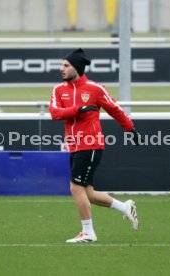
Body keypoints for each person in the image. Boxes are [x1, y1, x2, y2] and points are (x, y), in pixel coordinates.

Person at [49, 48, 142, 243]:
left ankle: (88, 233)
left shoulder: (95, 89)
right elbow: (55, 113)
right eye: (62, 65)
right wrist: (78, 109)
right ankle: (124, 207)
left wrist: (130, 129)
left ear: (77, 67)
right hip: (74, 145)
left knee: (76, 188)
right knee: (87, 193)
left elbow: (115, 110)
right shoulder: (58, 89)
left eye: (66, 65)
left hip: (90, 144)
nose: (61, 69)